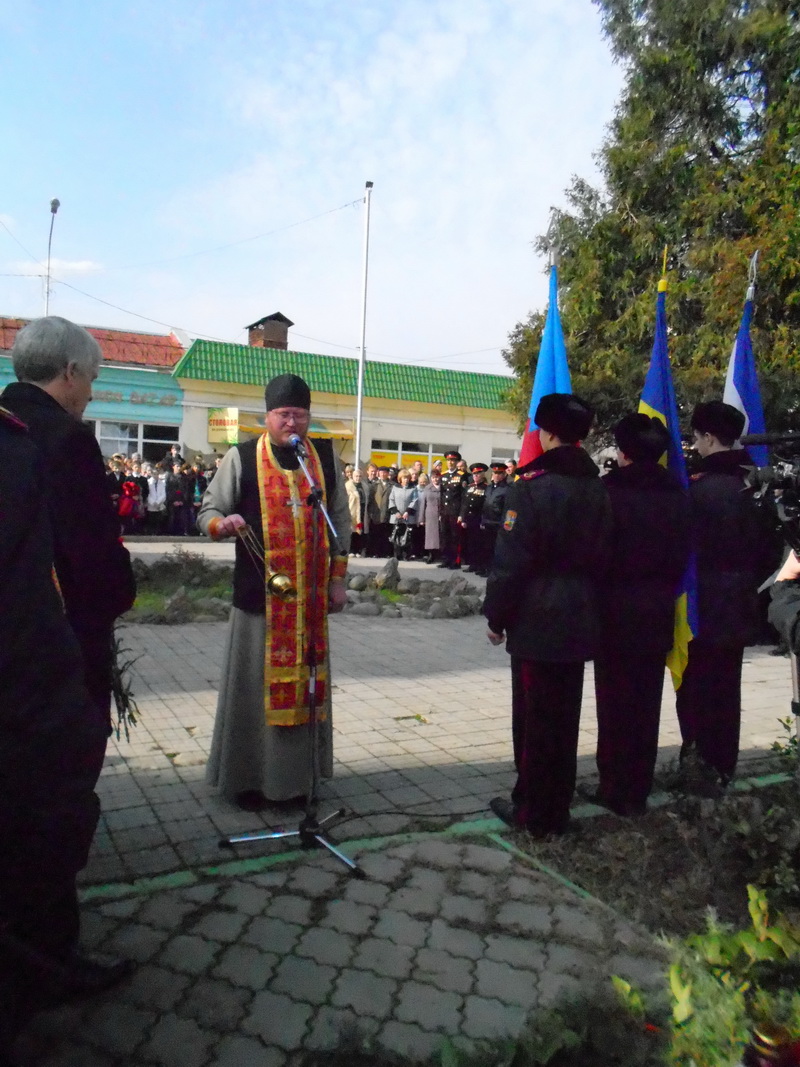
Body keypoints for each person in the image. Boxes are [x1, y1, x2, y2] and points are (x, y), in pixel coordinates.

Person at [0, 406, 133, 1060]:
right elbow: (85, 555)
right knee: (45, 829)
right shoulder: (45, 443)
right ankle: (50, 965)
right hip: (33, 689)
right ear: (74, 376)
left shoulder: (18, 433)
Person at [197, 373, 350, 810]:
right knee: (253, 692)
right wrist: (219, 524)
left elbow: (340, 521)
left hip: (310, 604)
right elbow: (209, 509)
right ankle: (247, 781)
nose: (292, 424)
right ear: (268, 416)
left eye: (300, 415)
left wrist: (337, 579)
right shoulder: (242, 457)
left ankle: (299, 783)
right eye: (284, 415)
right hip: (259, 603)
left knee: (307, 691)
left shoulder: (323, 458)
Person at [484, 393, 612, 837]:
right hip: (580, 611)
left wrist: (495, 617)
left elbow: (511, 563)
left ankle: (532, 811)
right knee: (565, 716)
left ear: (546, 433)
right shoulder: (598, 488)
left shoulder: (531, 488)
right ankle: (558, 806)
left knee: (534, 719)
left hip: (537, 615)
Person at [1, 317, 136, 731]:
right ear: (70, 372)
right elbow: (92, 550)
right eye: (92, 379)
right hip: (57, 643)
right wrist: (119, 593)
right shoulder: (67, 438)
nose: (91, 393)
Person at [590, 414, 690, 816]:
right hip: (657, 608)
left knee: (613, 704)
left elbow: (596, 552)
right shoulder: (677, 495)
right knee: (646, 703)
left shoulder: (607, 493)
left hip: (613, 611)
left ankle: (614, 788)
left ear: (623, 452)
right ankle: (638, 788)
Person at [675, 401, 779, 785]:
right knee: (726, 689)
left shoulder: (698, 490)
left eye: (697, 437)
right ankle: (723, 766)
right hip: (741, 600)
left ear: (709, 437)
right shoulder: (754, 486)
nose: (695, 445)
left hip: (702, 602)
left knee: (696, 690)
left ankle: (697, 765)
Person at [439, 450, 468, 568]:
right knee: (445, 536)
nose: (451, 462)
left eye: (453, 460)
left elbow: (464, 497)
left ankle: (455, 561)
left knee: (455, 537)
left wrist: (461, 514)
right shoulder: (443, 475)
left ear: (456, 462)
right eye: (449, 460)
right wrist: (440, 511)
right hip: (445, 511)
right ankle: (446, 559)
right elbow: (442, 495)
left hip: (455, 512)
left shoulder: (461, 475)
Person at [480, 462, 510, 576]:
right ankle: (486, 568)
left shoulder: (507, 489)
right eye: (495, 473)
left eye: (499, 473)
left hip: (498, 523)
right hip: (487, 522)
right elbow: (485, 504)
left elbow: (509, 509)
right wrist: (482, 520)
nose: (496, 475)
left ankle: (494, 570)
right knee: (486, 547)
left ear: (504, 475)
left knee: (496, 549)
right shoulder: (489, 487)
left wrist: (507, 526)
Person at [458, 463, 489, 572]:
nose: (476, 475)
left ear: (483, 474)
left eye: (478, 473)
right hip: (469, 520)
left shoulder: (486, 488)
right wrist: (462, 517)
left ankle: (479, 565)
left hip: (478, 519)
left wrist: (483, 520)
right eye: (474, 473)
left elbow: (486, 506)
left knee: (479, 544)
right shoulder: (469, 487)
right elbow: (464, 504)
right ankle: (472, 564)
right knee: (470, 543)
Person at [388, 468, 418, 561]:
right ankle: (397, 555)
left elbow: (415, 500)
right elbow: (391, 499)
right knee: (397, 535)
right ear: (400, 479)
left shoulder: (413, 488)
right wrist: (395, 511)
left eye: (407, 478)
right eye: (404, 478)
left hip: (408, 517)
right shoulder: (395, 488)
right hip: (397, 516)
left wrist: (407, 511)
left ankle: (406, 554)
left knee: (407, 536)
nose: (406, 480)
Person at [417, 467, 442, 563]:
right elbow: (423, 503)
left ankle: (440, 555)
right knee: (430, 537)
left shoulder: (443, 488)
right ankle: (431, 555)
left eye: (437, 477)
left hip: (441, 514)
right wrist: (421, 519)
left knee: (441, 535)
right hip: (430, 514)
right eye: (433, 477)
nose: (435, 479)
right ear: (431, 478)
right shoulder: (427, 488)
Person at [366, 465, 392, 557]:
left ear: (388, 474)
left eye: (385, 472)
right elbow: (370, 500)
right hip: (376, 513)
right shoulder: (374, 485)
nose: (383, 474)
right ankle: (375, 552)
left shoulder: (392, 485)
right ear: (378, 473)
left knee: (385, 535)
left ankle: (385, 552)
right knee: (375, 534)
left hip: (387, 513)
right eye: (381, 472)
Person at [346, 467, 369, 556]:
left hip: (362, 511)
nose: (358, 478)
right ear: (352, 476)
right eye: (356, 476)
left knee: (360, 531)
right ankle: (351, 550)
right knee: (352, 531)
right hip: (352, 511)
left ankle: (358, 550)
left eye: (359, 476)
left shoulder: (365, 486)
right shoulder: (348, 486)